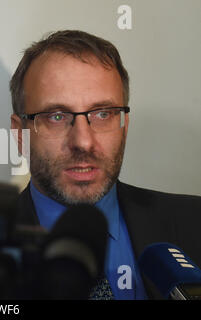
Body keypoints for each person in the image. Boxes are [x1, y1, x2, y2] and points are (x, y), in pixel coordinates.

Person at [10, 30, 201, 300]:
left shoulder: (195, 222)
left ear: (125, 126)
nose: (84, 142)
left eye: (103, 114)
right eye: (56, 116)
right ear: (20, 133)